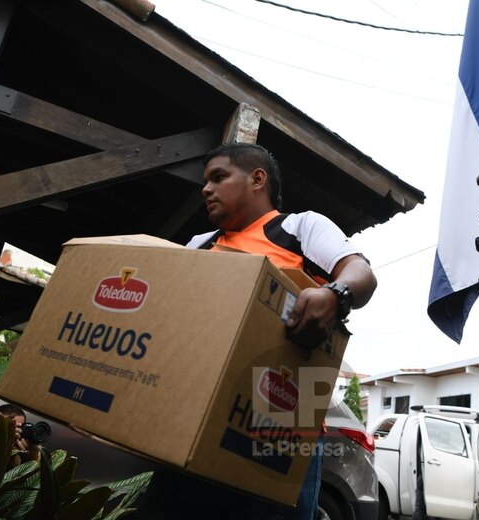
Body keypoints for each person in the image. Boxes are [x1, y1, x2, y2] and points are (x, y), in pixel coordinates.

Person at [137, 142, 377, 520]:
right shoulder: (200, 245)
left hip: (286, 418)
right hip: (193, 412)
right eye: (205, 181)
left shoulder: (299, 227)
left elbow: (361, 274)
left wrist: (334, 295)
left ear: (257, 180)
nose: (206, 189)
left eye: (218, 177)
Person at [0, 403, 40, 468]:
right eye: (10, 427)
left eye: (19, 427)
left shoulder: (22, 449)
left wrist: (32, 458)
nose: (15, 432)